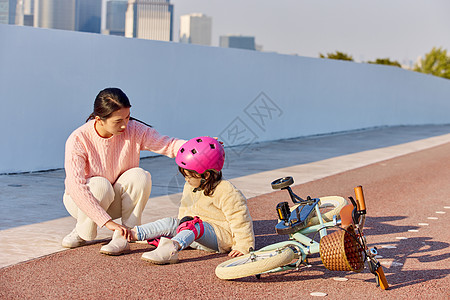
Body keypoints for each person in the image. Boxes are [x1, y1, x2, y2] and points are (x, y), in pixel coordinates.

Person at [61, 87, 186, 256]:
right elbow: (76, 187)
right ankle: (83, 232)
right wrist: (107, 223)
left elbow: (167, 144)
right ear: (99, 119)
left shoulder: (134, 130)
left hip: (114, 200)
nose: (125, 125)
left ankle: (125, 235)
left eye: (127, 117)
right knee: (100, 185)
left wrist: (199, 146)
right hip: (82, 202)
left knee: (140, 176)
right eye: (118, 121)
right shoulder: (78, 139)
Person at [123, 136, 255, 264]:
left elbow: (240, 220)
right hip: (194, 231)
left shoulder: (227, 191)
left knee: (194, 225)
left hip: (220, 239)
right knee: (171, 222)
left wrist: (243, 246)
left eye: (189, 177)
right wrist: (180, 230)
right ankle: (130, 234)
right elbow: (185, 212)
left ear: (206, 175)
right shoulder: (191, 185)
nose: (186, 180)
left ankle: (171, 249)